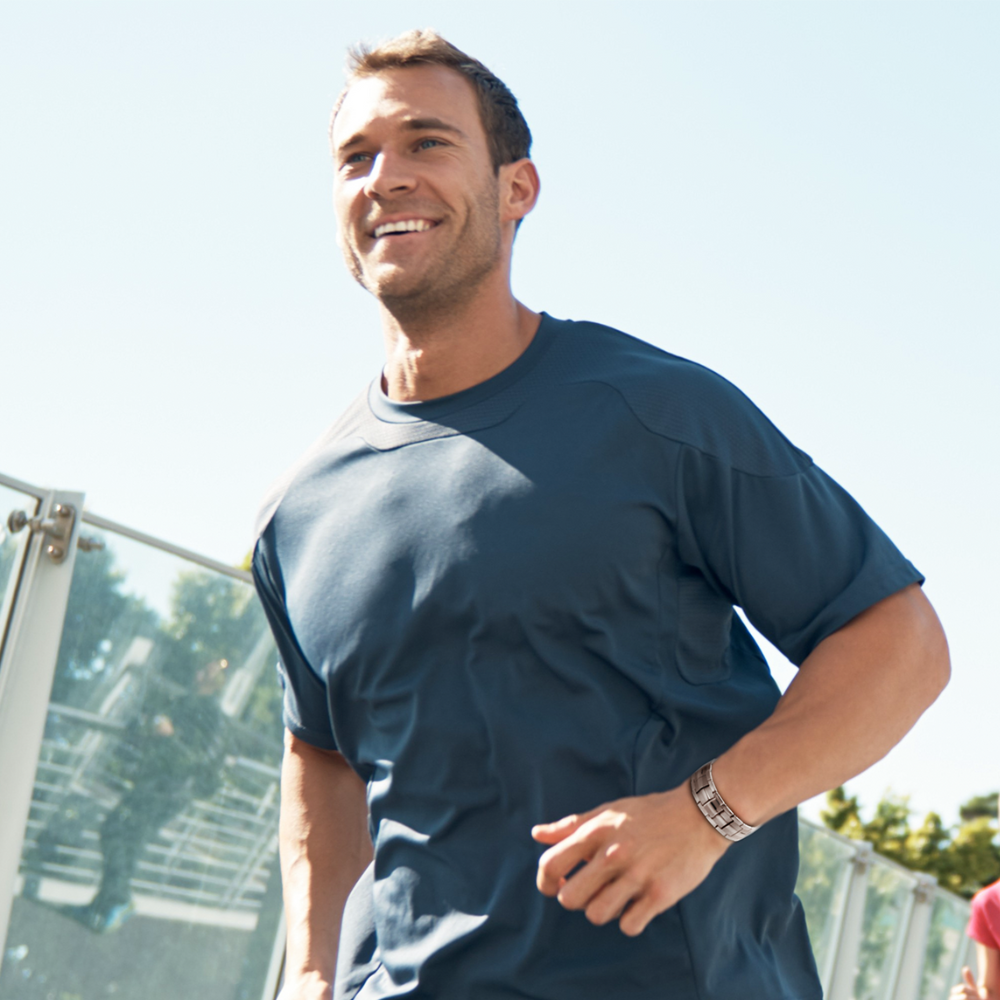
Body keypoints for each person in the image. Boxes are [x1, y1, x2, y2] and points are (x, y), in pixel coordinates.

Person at [251, 30, 950, 1000]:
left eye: (428, 143)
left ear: (516, 189)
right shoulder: (299, 512)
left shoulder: (657, 413)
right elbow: (319, 757)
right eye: (354, 158)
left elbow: (901, 643)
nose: (386, 178)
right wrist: (314, 970)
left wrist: (708, 812)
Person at [69, 658, 229, 932]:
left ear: (213, 683)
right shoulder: (182, 702)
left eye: (206, 670)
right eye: (202, 667)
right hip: (155, 783)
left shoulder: (212, 715)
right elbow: (150, 726)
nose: (198, 670)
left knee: (116, 832)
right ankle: (104, 904)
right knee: (126, 839)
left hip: (171, 790)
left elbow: (202, 759)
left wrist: (170, 735)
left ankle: (117, 901)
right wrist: (147, 725)